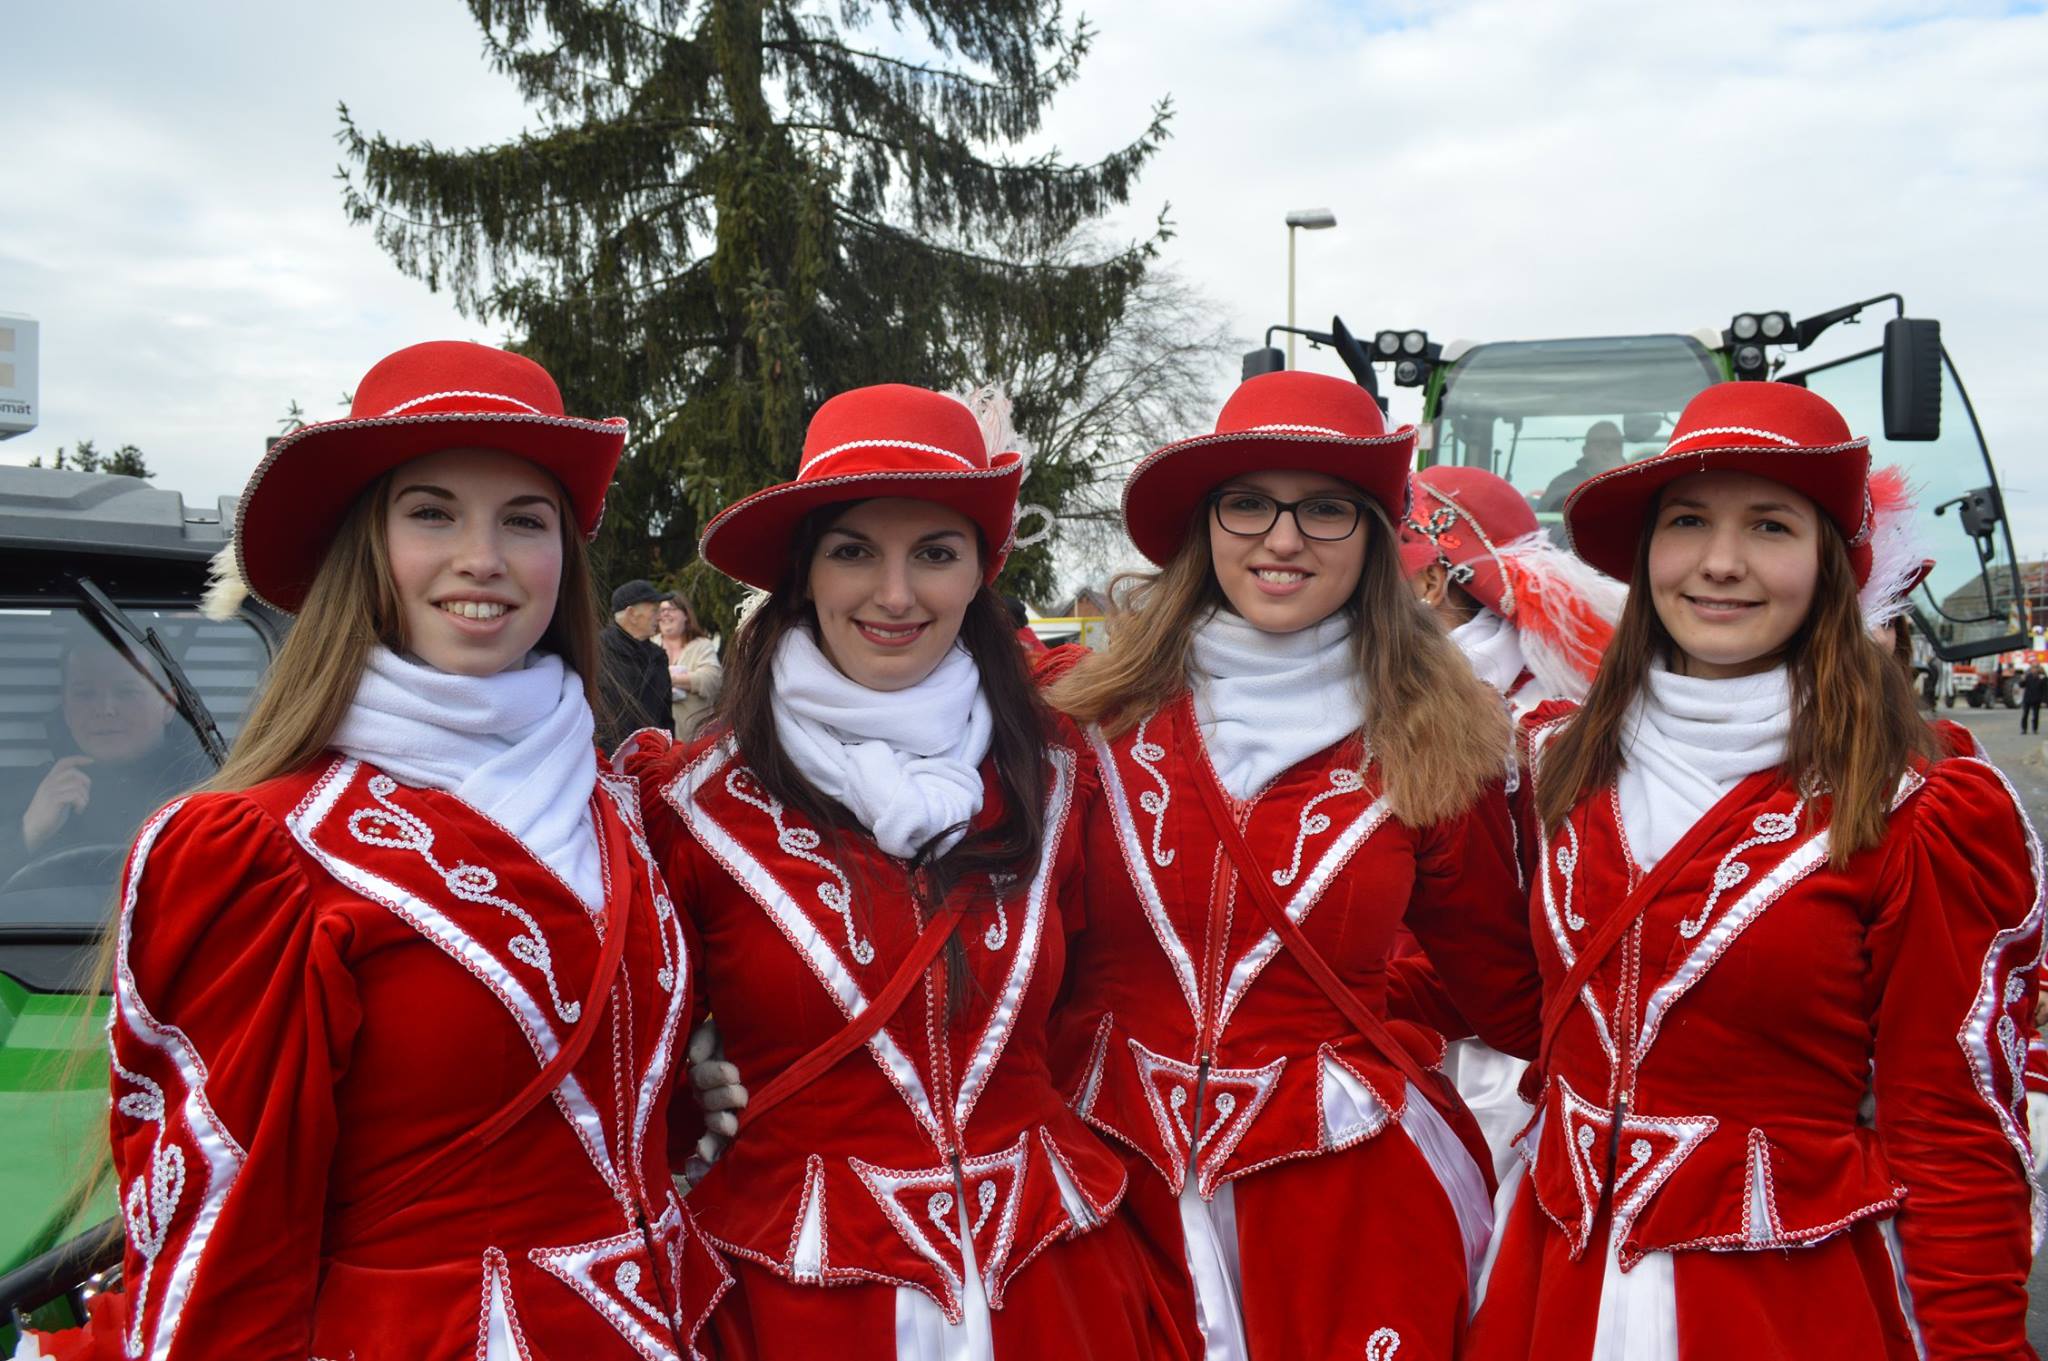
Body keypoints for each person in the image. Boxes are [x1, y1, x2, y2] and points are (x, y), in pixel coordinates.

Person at [101, 342, 721, 1359]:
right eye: (432, 513)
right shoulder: (265, 852)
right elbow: (224, 1274)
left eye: (524, 520)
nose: (482, 556)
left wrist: (683, 1098)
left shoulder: (621, 801)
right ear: (365, 548)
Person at [620, 383, 1197, 1361]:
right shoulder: (690, 807)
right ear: (802, 573)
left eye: (934, 552)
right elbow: (628, 1074)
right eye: (853, 552)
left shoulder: (1064, 776)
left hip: (1055, 1295)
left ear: (980, 571)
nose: (895, 595)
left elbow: (1115, 1008)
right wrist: (694, 1097)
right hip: (800, 1307)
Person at [1467, 382, 2043, 1360]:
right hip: (1551, 1283)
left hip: (1783, 1303)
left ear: (1831, 563)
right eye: (1687, 520)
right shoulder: (1550, 759)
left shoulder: (1913, 805)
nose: (1721, 561)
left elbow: (1950, 1132)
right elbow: (1505, 1000)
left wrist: (1975, 1347)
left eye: (1769, 525)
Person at [1044, 370, 1542, 1359]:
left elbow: (1504, 990)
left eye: (1323, 508)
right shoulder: (1079, 714)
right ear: (1204, 526)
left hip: (1343, 1206)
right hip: (1114, 1193)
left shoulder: (1441, 735)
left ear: (1373, 535)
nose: (1281, 538)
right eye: (1248, 504)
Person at [0, 631, 209, 885]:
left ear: (168, 704)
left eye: (127, 692)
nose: (105, 709)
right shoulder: (25, 795)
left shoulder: (211, 790)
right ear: (65, 708)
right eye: (85, 694)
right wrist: (27, 833)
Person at [600, 578, 675, 749]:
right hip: (606, 758)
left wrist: (667, 751)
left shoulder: (658, 657)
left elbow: (665, 717)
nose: (660, 617)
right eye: (654, 610)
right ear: (632, 614)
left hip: (652, 756)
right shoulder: (597, 652)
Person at [656, 594, 723, 738]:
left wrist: (670, 679)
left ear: (686, 615)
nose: (665, 614)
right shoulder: (648, 645)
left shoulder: (702, 645)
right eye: (661, 610)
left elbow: (713, 679)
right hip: (658, 738)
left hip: (695, 736)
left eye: (671, 609)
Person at [1536, 420, 1626, 512]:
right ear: (1586, 451)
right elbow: (1546, 517)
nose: (1608, 448)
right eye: (1600, 443)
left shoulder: (1633, 480)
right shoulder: (1563, 483)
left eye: (1616, 444)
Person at [2023, 665, 2045, 734]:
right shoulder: (2028, 677)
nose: (2034, 670)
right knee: (2025, 714)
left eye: (2035, 668)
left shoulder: (2041, 677)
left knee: (2035, 715)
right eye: (2032, 668)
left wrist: (2043, 701)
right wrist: (2022, 679)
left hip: (2037, 699)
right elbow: (2021, 685)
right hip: (2028, 698)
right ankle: (2024, 729)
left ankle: (2035, 729)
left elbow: (2045, 689)